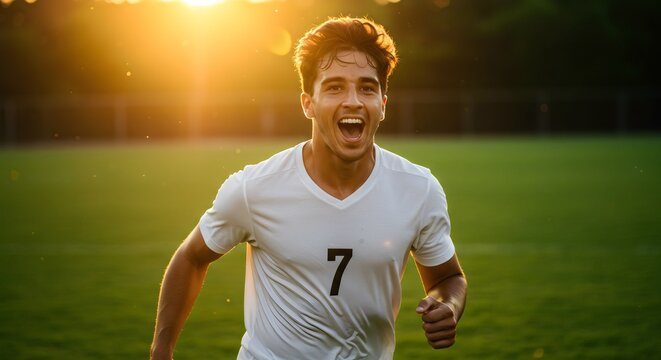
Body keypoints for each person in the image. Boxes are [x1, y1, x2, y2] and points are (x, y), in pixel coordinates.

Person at [151, 16, 467, 360]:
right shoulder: (254, 188)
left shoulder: (418, 189)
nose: (353, 101)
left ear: (382, 105)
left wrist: (447, 305)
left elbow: (448, 277)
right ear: (308, 104)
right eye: (334, 87)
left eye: (367, 87)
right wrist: (161, 351)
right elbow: (191, 257)